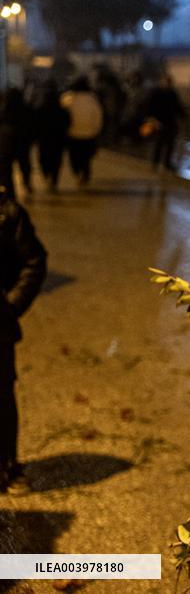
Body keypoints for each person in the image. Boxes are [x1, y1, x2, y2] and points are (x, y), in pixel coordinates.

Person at [0, 185, 47, 494]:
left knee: (1, 396)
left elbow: (34, 262)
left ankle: (7, 467)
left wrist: (9, 307)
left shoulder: (8, 213)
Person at [60, 76, 104, 187]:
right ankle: (85, 174)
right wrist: (96, 131)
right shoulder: (93, 100)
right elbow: (98, 117)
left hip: (73, 134)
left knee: (74, 157)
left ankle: (77, 173)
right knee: (86, 158)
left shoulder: (67, 99)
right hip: (89, 134)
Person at [145, 74, 185, 171]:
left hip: (170, 122)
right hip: (159, 122)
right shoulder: (157, 93)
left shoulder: (172, 93)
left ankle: (166, 164)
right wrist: (151, 118)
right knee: (159, 144)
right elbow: (150, 106)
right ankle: (155, 163)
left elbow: (177, 106)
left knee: (170, 145)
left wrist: (183, 115)